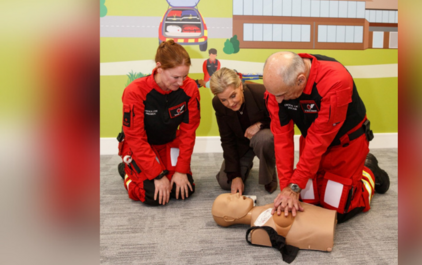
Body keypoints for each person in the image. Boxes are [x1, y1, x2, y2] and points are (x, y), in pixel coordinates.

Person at [262, 51, 390, 223]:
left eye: (282, 95)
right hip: (312, 141)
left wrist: (295, 187)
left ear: (300, 79)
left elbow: (319, 140)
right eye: (273, 94)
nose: (278, 100)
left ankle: (368, 170)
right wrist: (287, 187)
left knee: (337, 211)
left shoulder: (335, 81)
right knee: (308, 203)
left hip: (346, 144)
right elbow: (282, 139)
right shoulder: (277, 88)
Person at [117, 40, 200, 206]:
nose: (181, 82)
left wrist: (181, 170)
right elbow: (135, 138)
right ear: (159, 67)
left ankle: (166, 172)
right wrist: (157, 175)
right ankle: (127, 171)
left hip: (169, 143)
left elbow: (188, 132)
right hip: (140, 147)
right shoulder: (135, 91)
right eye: (175, 77)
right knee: (153, 195)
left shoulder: (190, 89)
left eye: (185, 76)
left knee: (183, 190)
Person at [210, 67, 277, 194]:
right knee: (225, 182)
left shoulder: (262, 93)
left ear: (240, 85)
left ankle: (269, 172)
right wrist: (235, 176)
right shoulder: (217, 104)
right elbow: (227, 139)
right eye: (224, 99)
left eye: (233, 96)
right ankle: (245, 166)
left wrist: (260, 125)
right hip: (241, 145)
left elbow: (280, 121)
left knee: (265, 138)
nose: (230, 103)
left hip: (262, 139)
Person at [211, 193, 336, 252]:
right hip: (326, 228)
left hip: (328, 217)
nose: (237, 194)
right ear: (229, 218)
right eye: (229, 199)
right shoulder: (259, 227)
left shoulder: (263, 212)